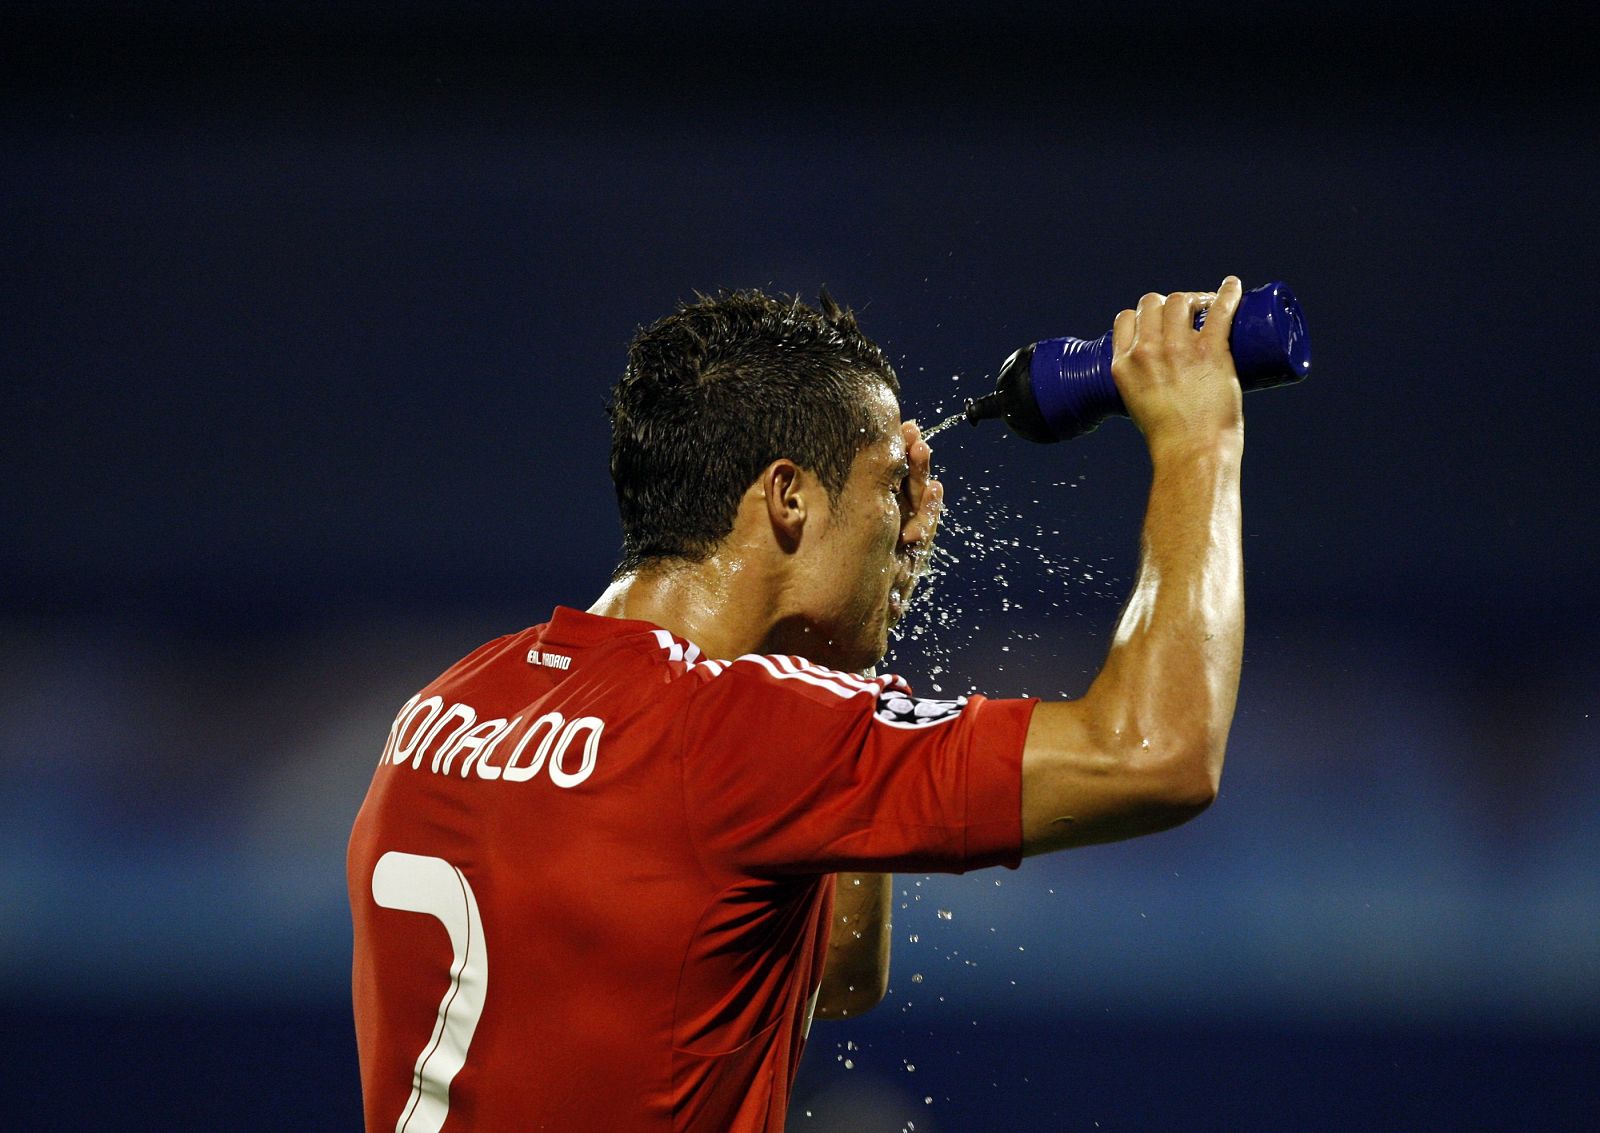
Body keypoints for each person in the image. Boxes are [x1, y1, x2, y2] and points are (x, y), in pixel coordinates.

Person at [347, 277, 1248, 1132]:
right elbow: (1156, 752)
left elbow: (833, 968)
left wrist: (831, 649)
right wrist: (1198, 440)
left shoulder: (446, 704)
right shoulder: (737, 732)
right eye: (889, 486)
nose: (905, 519)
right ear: (788, 497)